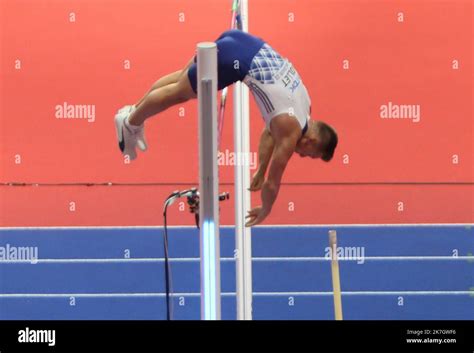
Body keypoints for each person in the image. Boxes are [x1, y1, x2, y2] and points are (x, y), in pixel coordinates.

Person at [114, 29, 338, 226]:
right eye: (310, 156)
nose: (303, 156)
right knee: (179, 93)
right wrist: (266, 209)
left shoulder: (304, 104)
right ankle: (131, 122)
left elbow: (270, 132)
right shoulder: (291, 134)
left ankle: (133, 111)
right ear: (312, 142)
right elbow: (273, 183)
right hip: (233, 62)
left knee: (180, 80)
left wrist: (260, 168)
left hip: (240, 41)